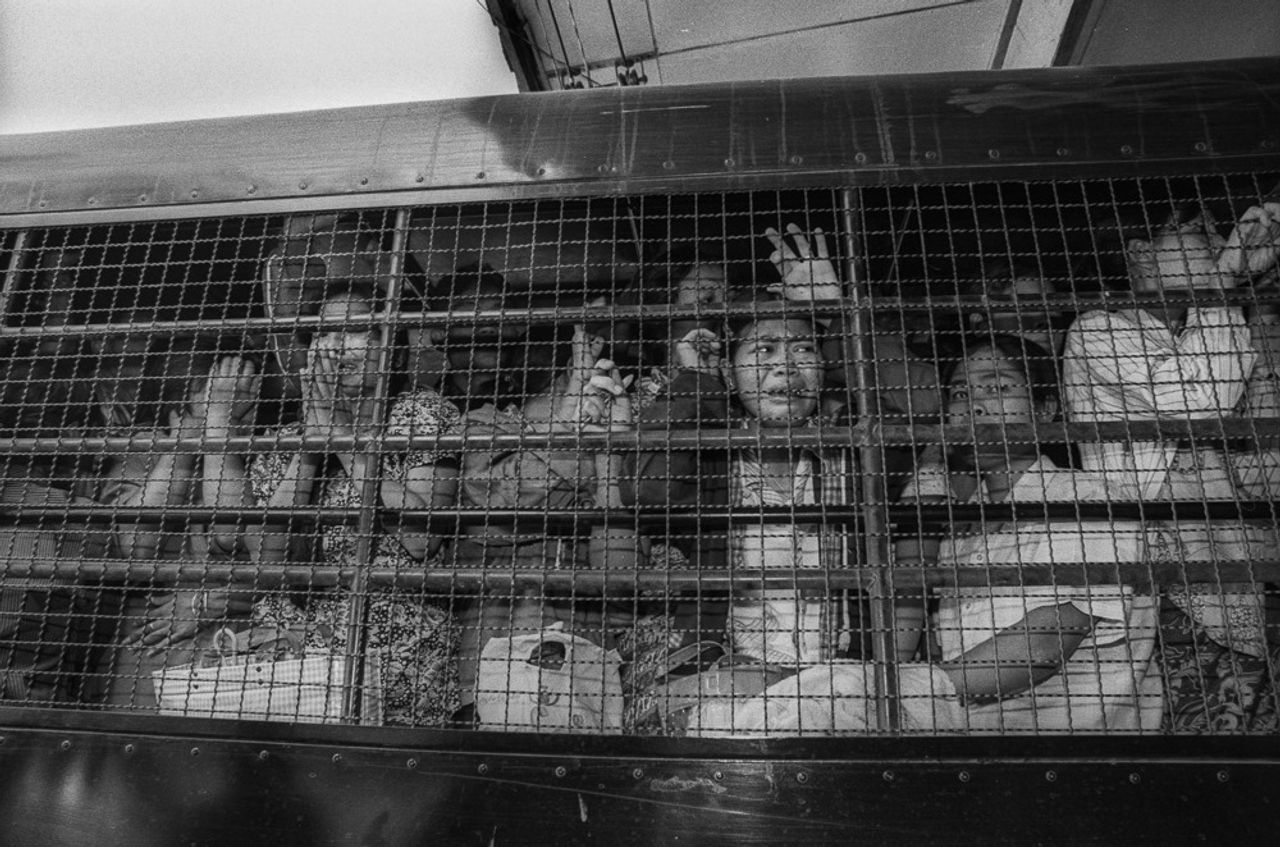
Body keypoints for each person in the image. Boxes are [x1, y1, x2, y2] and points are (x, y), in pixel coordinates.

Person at [1062, 200, 1280, 731]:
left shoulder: (1225, 326)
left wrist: (1260, 304)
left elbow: (1266, 474)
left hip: (1246, 573)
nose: (1217, 243)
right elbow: (1200, 401)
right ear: (1140, 253)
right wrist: (1221, 288)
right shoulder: (1098, 331)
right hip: (1161, 591)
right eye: (1198, 232)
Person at [205, 280, 463, 726]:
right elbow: (267, 559)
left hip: (393, 666)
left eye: (356, 330)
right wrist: (311, 445)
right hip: (292, 672)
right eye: (324, 332)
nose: (337, 345)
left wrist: (343, 438)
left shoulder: (421, 415)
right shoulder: (284, 439)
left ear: (392, 351)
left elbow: (421, 540)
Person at [900, 335, 1162, 731]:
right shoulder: (961, 530)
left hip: (1082, 749)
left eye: (998, 388)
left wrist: (900, 689)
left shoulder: (1089, 500)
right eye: (960, 393)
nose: (974, 405)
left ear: (1045, 409)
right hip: (977, 744)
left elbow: (1044, 644)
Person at [450, 319, 635, 728]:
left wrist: (610, 457)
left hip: (586, 648)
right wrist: (568, 431)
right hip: (498, 637)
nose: (587, 387)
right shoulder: (486, 423)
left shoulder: (605, 439)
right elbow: (492, 506)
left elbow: (620, 577)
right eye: (576, 372)